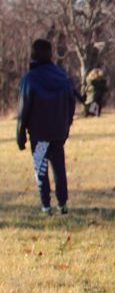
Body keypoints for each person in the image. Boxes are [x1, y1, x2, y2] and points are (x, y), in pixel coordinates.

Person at [16, 39, 78, 213]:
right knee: (59, 167)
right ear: (51, 54)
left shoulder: (29, 79)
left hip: (39, 134)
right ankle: (63, 203)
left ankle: (46, 205)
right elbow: (71, 101)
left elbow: (23, 109)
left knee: (41, 168)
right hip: (58, 132)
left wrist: (20, 136)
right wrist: (67, 123)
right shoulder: (62, 75)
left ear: (32, 55)